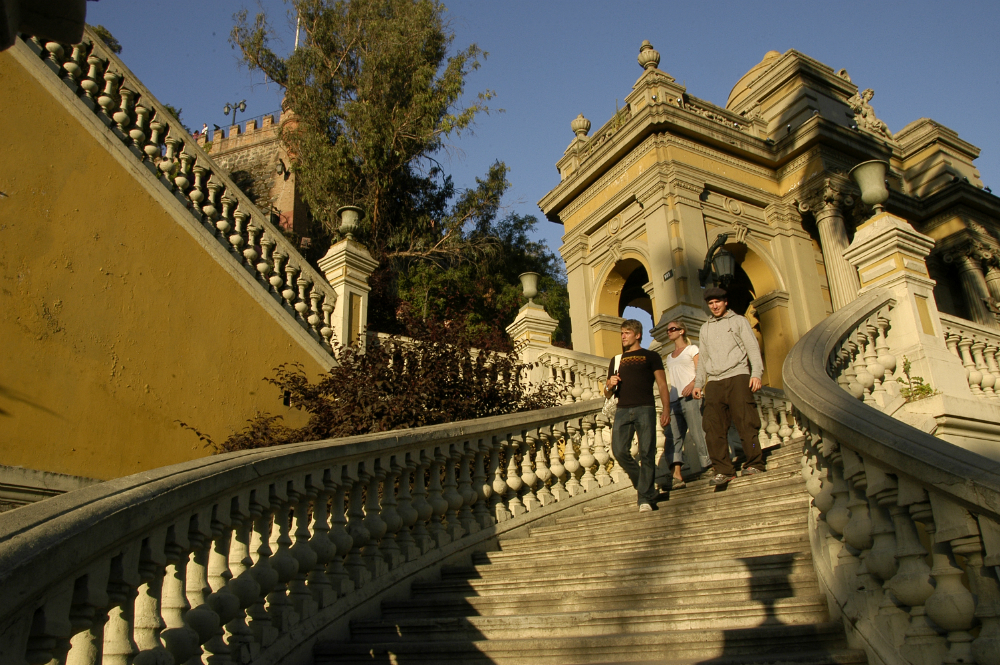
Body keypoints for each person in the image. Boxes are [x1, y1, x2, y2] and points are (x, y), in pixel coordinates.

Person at [692, 287, 764, 486]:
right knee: (712, 428)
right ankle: (723, 470)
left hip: (738, 376)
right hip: (714, 382)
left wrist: (756, 374)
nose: (714, 306)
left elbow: (752, 348)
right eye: (711, 303)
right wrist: (699, 383)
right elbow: (703, 358)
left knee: (746, 422)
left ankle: (755, 463)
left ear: (725, 302)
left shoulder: (739, 321)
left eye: (717, 302)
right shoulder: (705, 328)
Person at [603, 319, 670, 512]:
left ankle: (644, 499)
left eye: (627, 333)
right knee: (619, 451)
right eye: (622, 333)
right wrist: (609, 385)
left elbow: (662, 384)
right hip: (622, 410)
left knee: (647, 452)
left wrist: (666, 409)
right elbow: (607, 393)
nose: (623, 336)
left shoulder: (651, 356)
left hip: (645, 408)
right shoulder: (616, 360)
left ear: (638, 335)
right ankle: (646, 487)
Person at [664, 320, 712, 487]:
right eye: (668, 330)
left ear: (681, 331)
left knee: (698, 432)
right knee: (673, 437)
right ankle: (676, 475)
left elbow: (701, 370)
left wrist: (693, 384)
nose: (669, 332)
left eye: (672, 329)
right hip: (674, 400)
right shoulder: (669, 357)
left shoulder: (692, 349)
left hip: (691, 397)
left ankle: (708, 465)